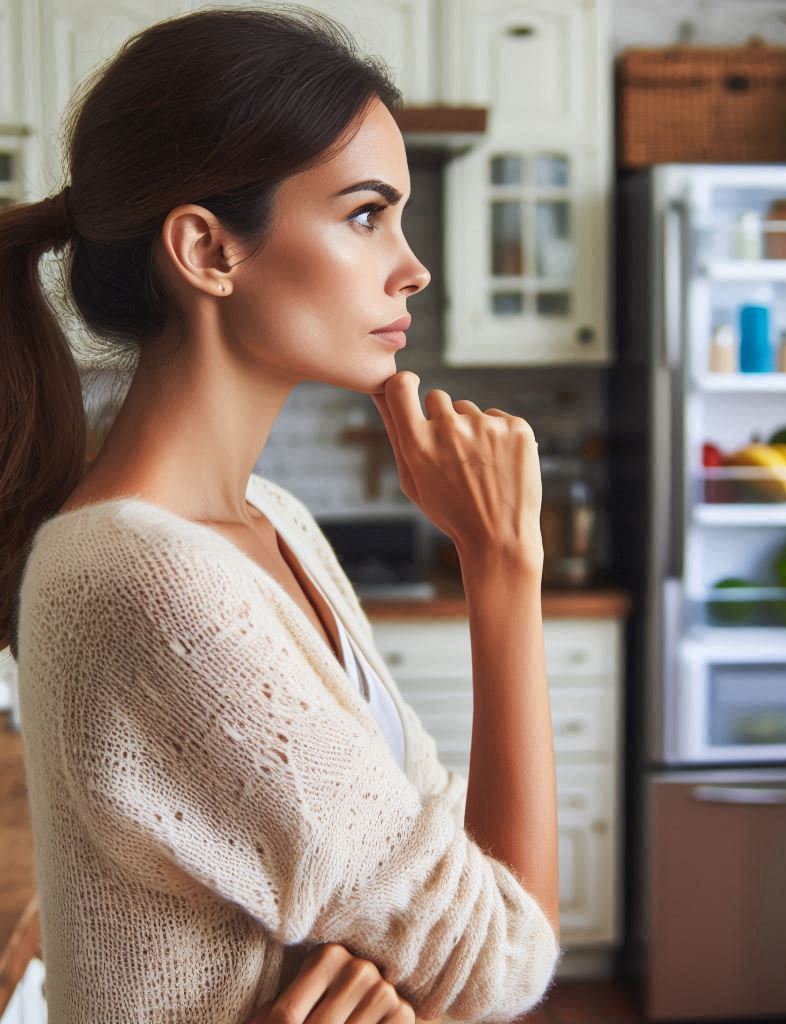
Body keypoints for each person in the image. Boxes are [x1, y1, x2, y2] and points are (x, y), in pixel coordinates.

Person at [0, 4, 560, 1022]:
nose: (412, 265)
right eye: (363, 214)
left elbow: (458, 887)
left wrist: (421, 965)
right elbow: (502, 963)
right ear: (208, 250)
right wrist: (501, 563)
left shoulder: (275, 520)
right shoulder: (144, 579)